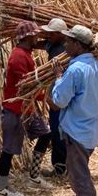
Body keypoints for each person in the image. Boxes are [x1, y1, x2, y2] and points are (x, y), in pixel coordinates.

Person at [50, 25, 98, 196]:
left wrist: (57, 77)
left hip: (76, 131)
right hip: (90, 129)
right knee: (83, 172)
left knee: (78, 178)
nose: (65, 45)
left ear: (78, 45)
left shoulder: (74, 70)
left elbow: (59, 101)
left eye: (69, 41)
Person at [0, 21, 55, 196]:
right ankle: (3, 186)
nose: (37, 38)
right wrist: (44, 91)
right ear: (28, 37)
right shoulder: (18, 57)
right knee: (8, 149)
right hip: (15, 110)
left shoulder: (25, 54)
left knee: (46, 135)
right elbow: (26, 86)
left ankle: (34, 175)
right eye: (35, 35)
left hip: (27, 109)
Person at [35, 18, 68, 177]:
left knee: (59, 131)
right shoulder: (54, 44)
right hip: (56, 94)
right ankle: (61, 166)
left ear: (61, 34)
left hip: (62, 98)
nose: (49, 36)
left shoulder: (65, 51)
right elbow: (42, 44)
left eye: (52, 34)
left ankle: (61, 167)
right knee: (56, 130)